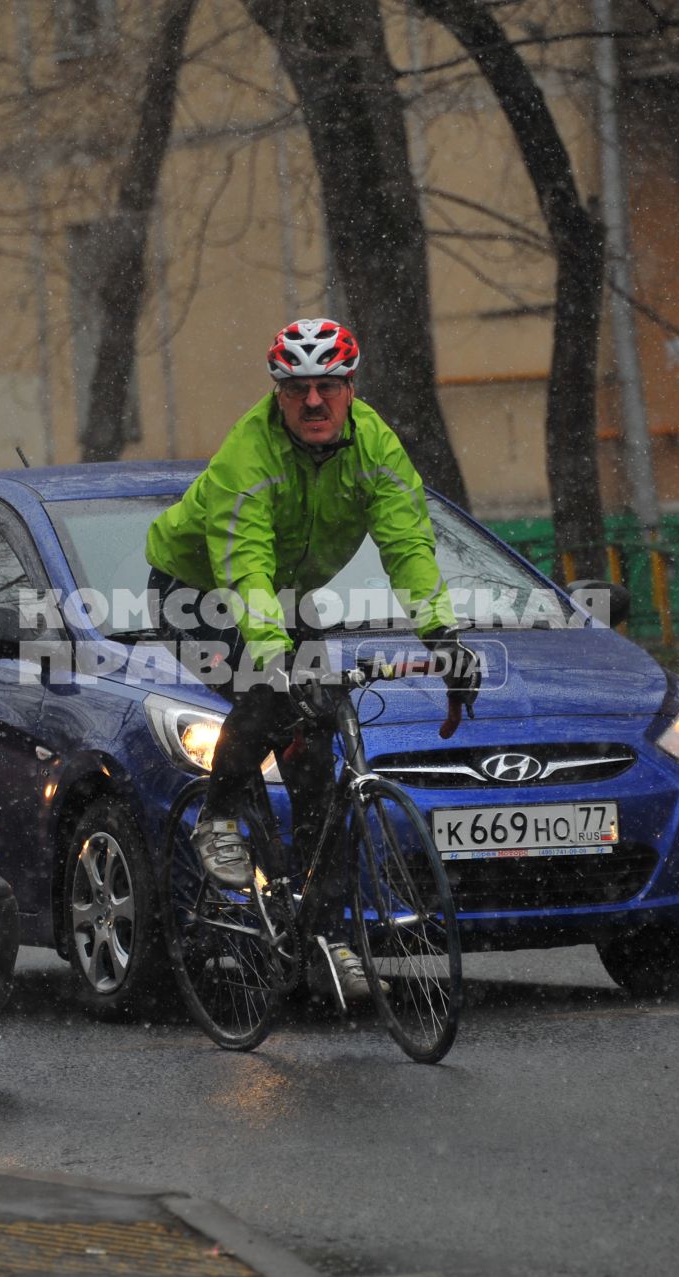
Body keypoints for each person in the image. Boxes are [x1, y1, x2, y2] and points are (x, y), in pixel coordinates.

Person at [145, 317, 479, 1000]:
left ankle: (321, 935)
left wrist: (443, 641)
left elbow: (409, 546)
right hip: (195, 588)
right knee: (269, 694)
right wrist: (273, 661)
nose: (315, 402)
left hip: (288, 595)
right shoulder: (250, 452)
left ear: (351, 387)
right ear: (279, 393)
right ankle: (217, 816)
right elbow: (246, 569)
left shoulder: (375, 445)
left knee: (320, 772)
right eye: (299, 390)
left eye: (329, 386)